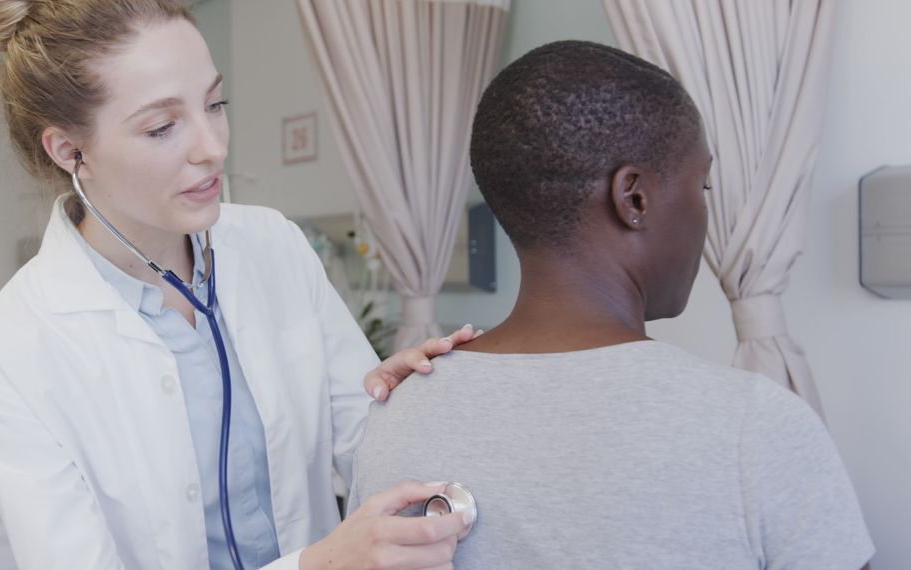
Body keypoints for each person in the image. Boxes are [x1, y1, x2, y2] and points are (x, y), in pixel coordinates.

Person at [0, 1, 475, 568]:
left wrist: (406, 408)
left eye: (215, 104)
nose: (213, 146)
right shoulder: (4, 358)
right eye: (162, 126)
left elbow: (366, 450)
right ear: (70, 151)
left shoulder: (273, 245)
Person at [350, 40, 874, 569]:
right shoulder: (753, 427)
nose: (705, 212)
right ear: (635, 199)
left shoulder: (399, 413)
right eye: (703, 183)